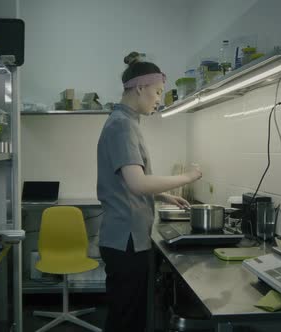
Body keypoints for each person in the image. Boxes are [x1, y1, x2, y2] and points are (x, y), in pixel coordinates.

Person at [97, 51, 202, 332]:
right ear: (140, 87)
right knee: (125, 319)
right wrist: (187, 176)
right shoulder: (122, 126)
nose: (158, 99)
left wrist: (164, 195)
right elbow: (137, 183)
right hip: (125, 240)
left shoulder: (126, 122)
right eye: (157, 92)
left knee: (126, 315)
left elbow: (130, 183)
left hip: (125, 237)